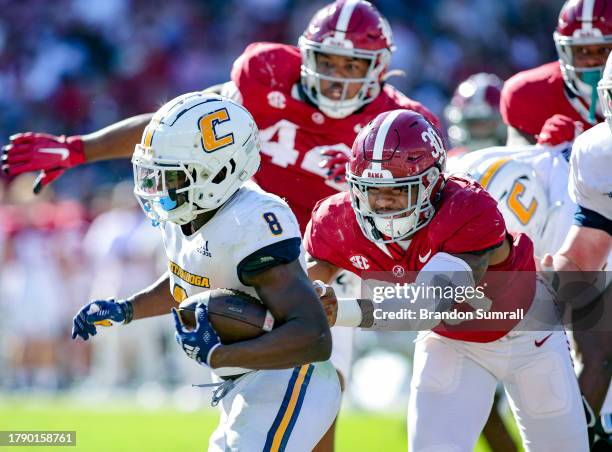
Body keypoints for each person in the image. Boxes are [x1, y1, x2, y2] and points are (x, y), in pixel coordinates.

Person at [1, 2, 439, 448]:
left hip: (332, 263)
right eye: (327, 60)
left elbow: (418, 213)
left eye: (353, 64)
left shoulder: (396, 128)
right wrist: (80, 149)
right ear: (306, 54)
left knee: (317, 394)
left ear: (380, 66)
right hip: (244, 236)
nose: (337, 74)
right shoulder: (265, 78)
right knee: (270, 390)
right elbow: (177, 127)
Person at [70, 93, 341, 451]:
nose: (156, 189)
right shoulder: (186, 211)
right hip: (244, 384)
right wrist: (127, 309)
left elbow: (314, 336)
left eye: (170, 176)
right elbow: (191, 276)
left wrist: (219, 356)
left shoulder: (253, 219)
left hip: (287, 380)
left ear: (219, 171)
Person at [305, 109, 589, 451]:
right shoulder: (335, 219)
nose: (381, 204)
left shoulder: (467, 207)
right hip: (453, 342)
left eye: (398, 191)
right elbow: (305, 291)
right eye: (371, 190)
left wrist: (341, 311)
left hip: (529, 333)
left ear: (431, 183)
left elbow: (427, 306)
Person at [501, 0, 612, 146]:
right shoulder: (529, 94)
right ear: (564, 50)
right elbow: (518, 162)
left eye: (603, 50)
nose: (591, 61)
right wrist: (543, 153)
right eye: (581, 51)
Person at [444, 72, 506, 154]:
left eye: (485, 123)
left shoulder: (514, 159)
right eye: (472, 123)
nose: (479, 130)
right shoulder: (452, 161)